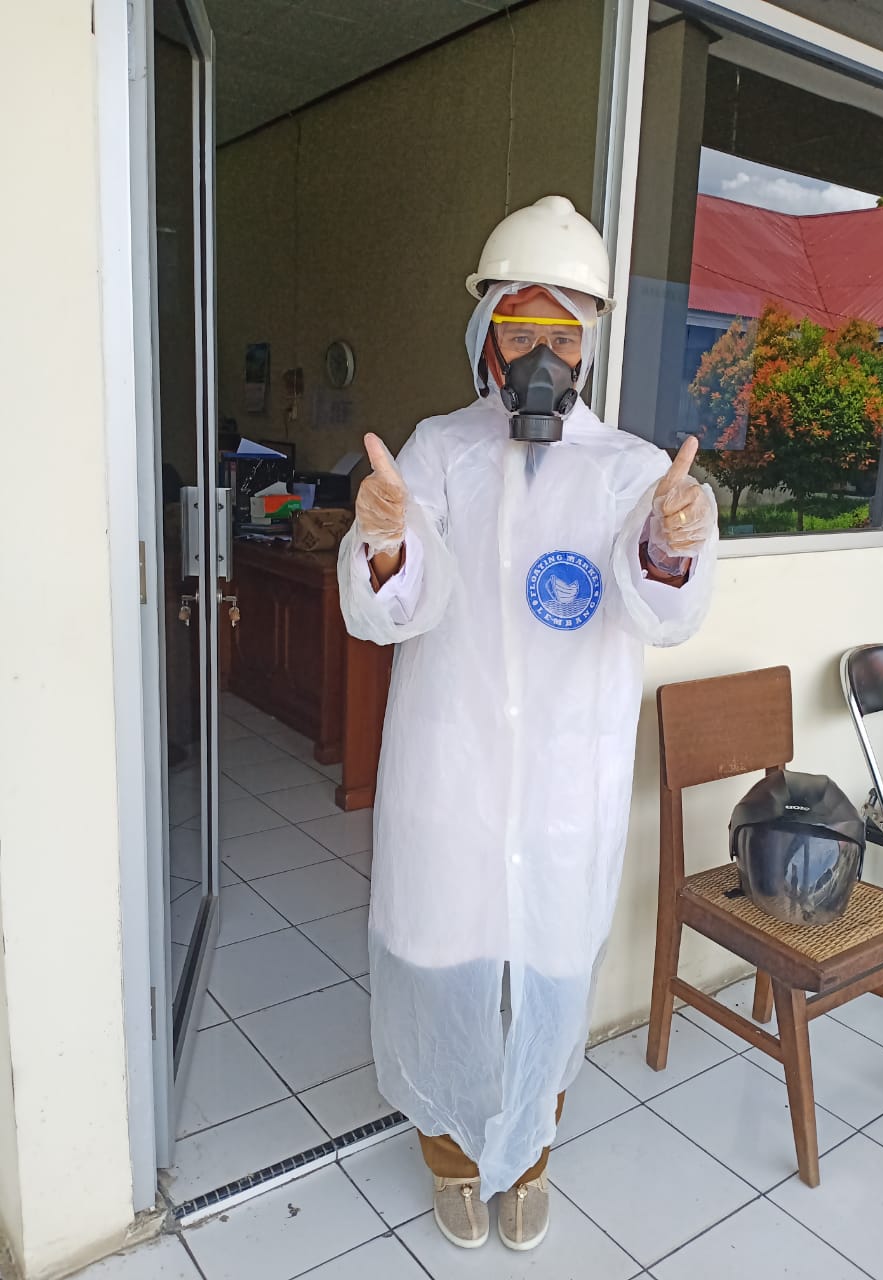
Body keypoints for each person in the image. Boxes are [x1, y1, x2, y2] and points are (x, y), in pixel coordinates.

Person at [337, 195, 717, 1252]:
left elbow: (660, 608)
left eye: (562, 334)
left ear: (587, 344)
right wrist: (385, 538)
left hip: (562, 784)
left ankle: (532, 1150)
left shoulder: (634, 471)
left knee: (546, 970)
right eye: (520, 330)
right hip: (450, 772)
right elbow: (398, 604)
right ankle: (452, 1152)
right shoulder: (436, 450)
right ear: (486, 336)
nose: (540, 358)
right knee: (441, 961)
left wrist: (671, 545)